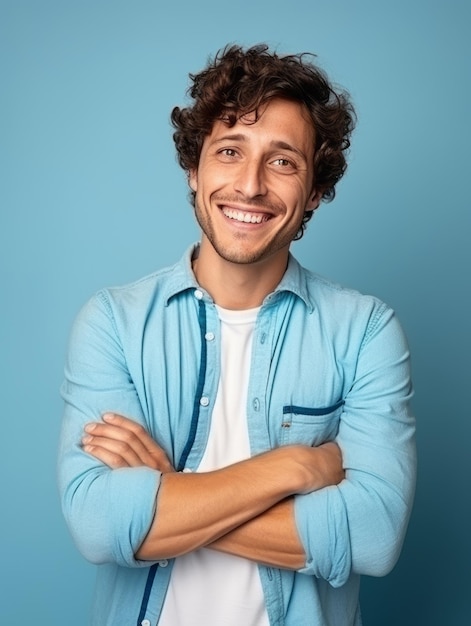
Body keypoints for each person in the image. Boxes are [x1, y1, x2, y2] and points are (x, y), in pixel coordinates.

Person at [58, 44, 416, 626]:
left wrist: (168, 497)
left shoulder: (365, 332)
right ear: (194, 171)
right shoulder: (113, 322)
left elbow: (373, 537)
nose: (249, 186)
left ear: (315, 192)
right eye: (229, 151)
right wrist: (295, 467)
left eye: (282, 162)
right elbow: (99, 526)